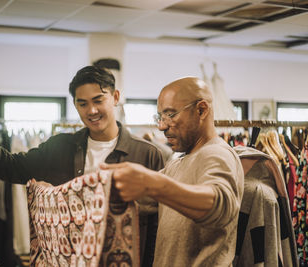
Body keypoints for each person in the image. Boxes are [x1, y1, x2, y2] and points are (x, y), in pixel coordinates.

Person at [0, 65, 164, 266]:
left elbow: (157, 225)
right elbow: (11, 167)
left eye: (98, 100)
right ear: (75, 105)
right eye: (83, 104)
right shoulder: (59, 147)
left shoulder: (147, 154)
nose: (92, 111)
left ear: (115, 97)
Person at [101, 77, 244, 267]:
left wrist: (151, 184)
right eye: (160, 117)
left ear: (201, 110)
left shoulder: (217, 153)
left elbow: (219, 205)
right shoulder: (177, 164)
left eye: (170, 115)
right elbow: (131, 198)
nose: (162, 126)